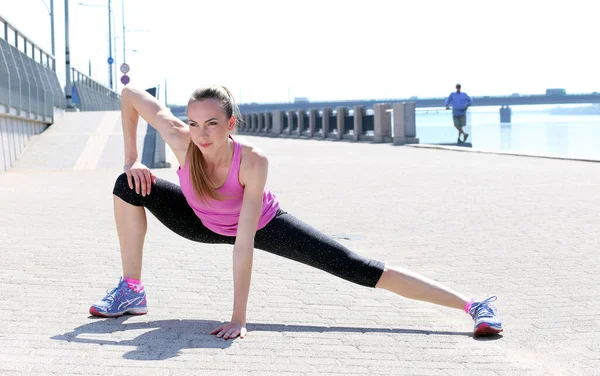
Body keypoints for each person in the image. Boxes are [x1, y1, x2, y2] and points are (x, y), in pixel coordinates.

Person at [90, 85, 503, 339]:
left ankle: (473, 305)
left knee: (353, 265)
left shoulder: (252, 161)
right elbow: (129, 97)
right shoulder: (182, 141)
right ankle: (132, 289)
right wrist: (132, 161)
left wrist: (238, 319)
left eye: (213, 123)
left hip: (260, 227)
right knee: (128, 185)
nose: (202, 133)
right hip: (197, 221)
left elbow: (244, 243)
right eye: (195, 123)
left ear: (232, 122)